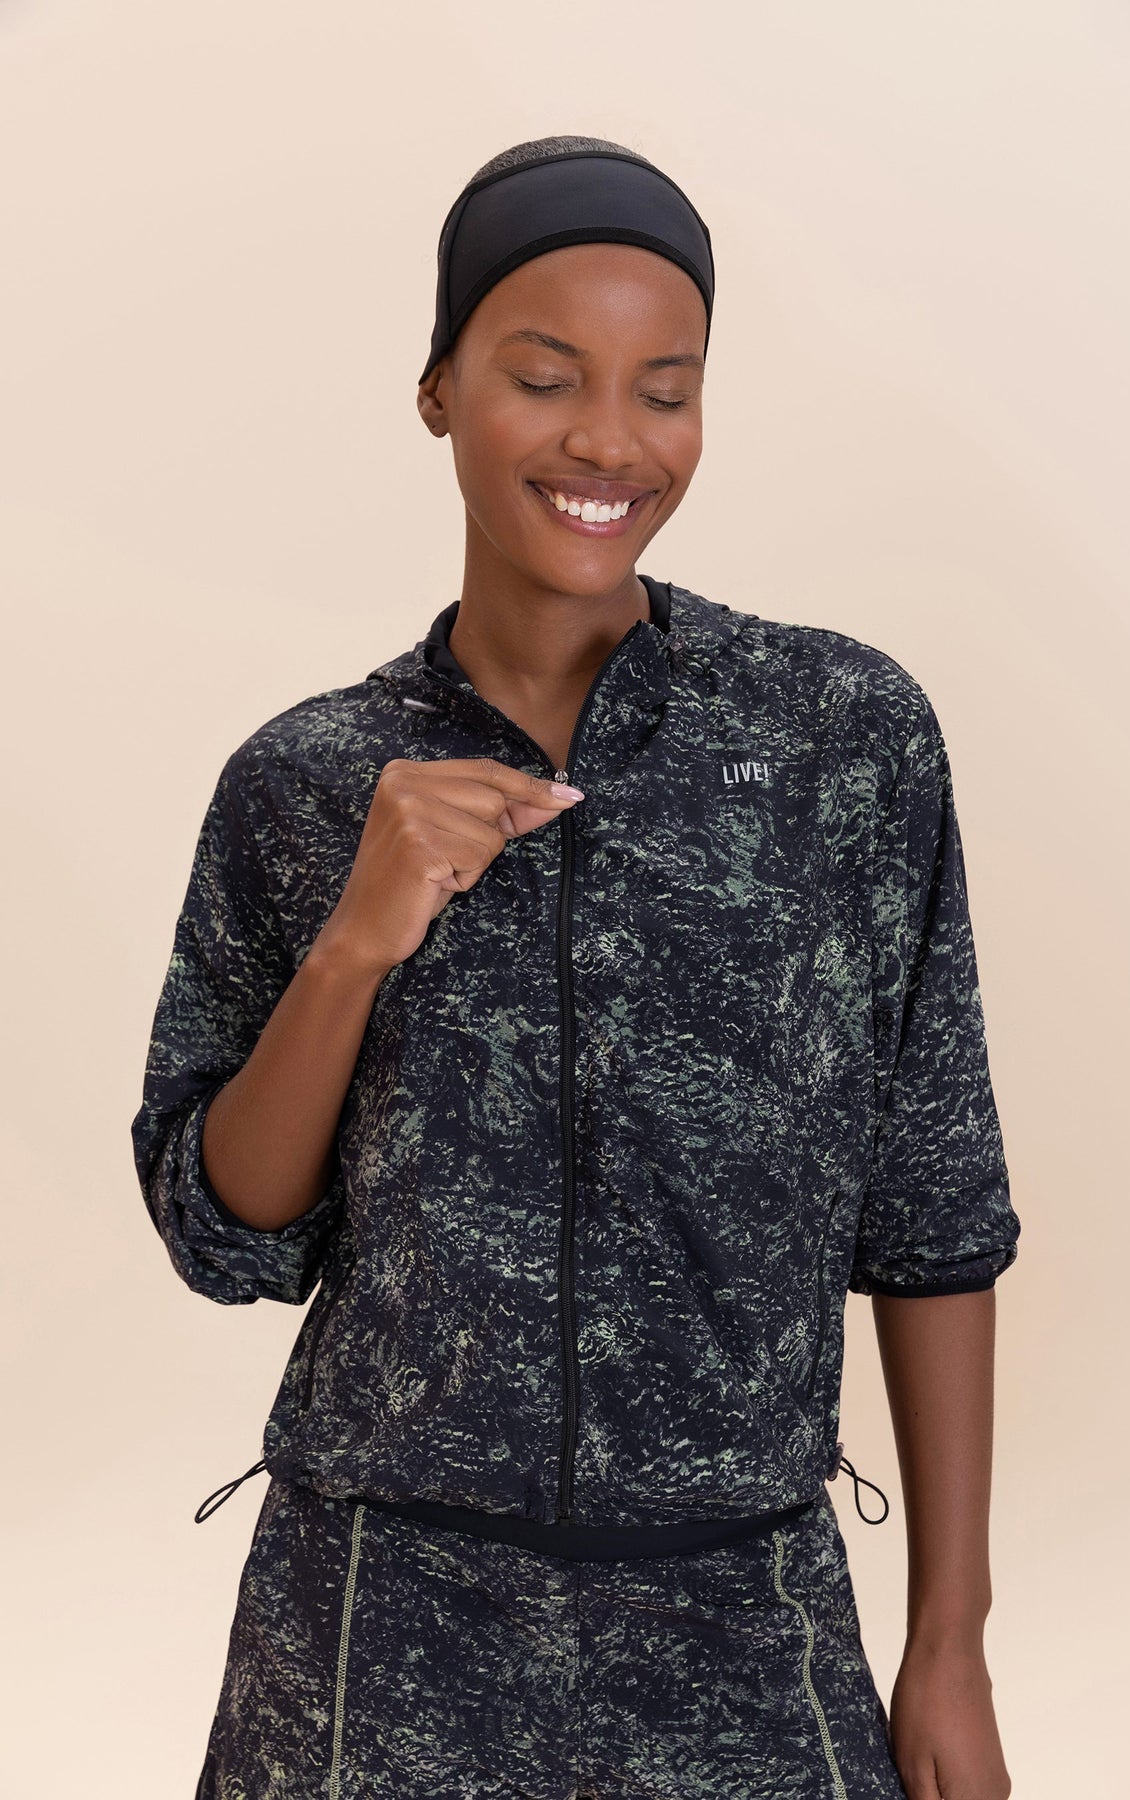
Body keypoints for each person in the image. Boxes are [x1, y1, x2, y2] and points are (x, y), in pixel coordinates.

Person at [131, 134, 1021, 1800]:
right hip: (376, 1633)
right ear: (439, 390)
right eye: (546, 379)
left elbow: (935, 1209)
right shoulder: (307, 783)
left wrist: (950, 1641)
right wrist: (357, 941)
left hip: (744, 1623)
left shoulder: (842, 742)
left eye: (665, 391)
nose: (610, 440)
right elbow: (228, 1232)